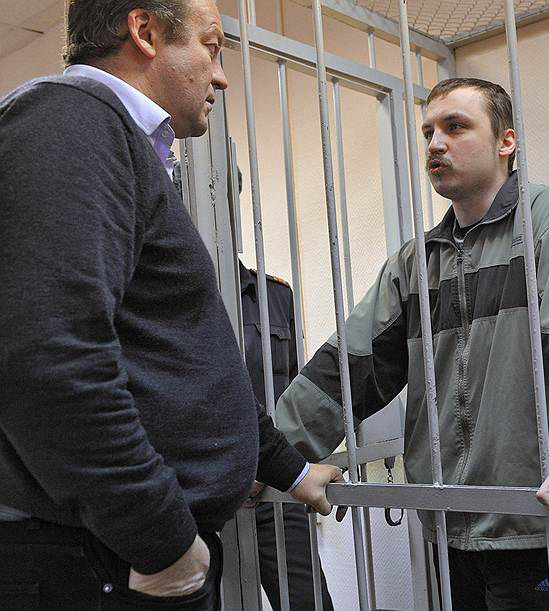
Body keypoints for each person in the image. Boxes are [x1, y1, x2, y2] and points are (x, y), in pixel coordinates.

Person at [0, 1, 340, 608]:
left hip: (115, 550)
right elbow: (46, 356)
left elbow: (181, 363)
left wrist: (289, 470)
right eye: (211, 46)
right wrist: (165, 546)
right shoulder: (70, 119)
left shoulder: (112, 138)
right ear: (145, 32)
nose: (222, 76)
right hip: (102, 557)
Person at [276, 77, 549, 609]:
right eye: (429, 131)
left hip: (531, 516)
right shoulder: (418, 261)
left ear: (506, 141)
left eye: (455, 127)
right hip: (447, 515)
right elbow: (349, 365)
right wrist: (269, 455)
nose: (435, 143)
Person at [239, 261, 336, 610]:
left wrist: (278, 465)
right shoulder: (173, 291)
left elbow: (293, 395)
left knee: (308, 602)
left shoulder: (275, 296)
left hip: (275, 486)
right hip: (199, 491)